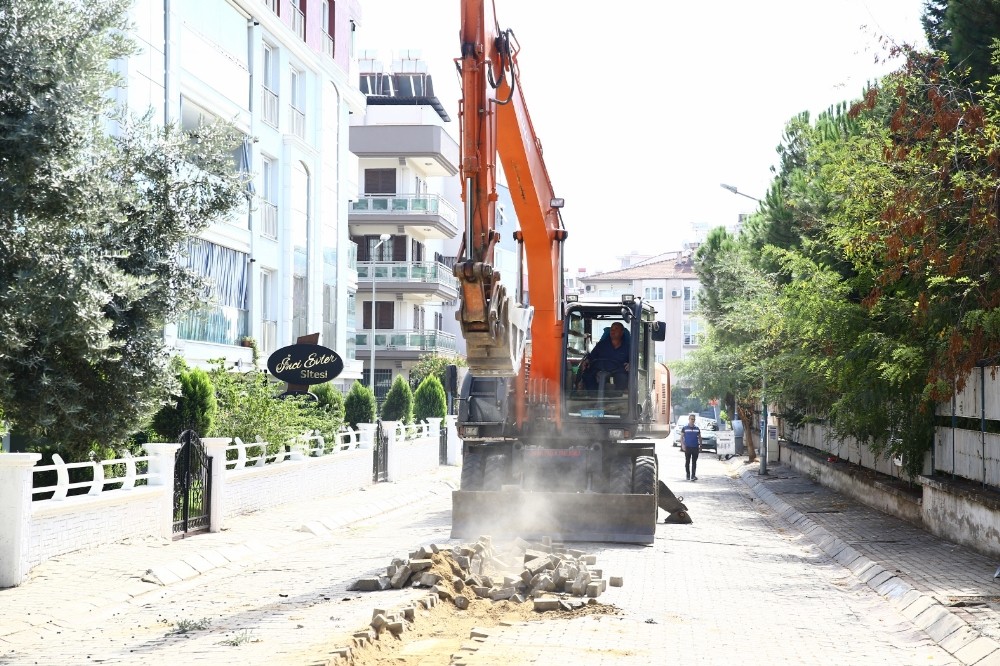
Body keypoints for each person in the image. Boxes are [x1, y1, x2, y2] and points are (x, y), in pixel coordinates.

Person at [578, 322, 630, 391]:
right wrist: (586, 360)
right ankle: (592, 396)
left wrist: (630, 364)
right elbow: (591, 357)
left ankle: (617, 398)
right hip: (599, 369)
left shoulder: (628, 347)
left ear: (622, 332)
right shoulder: (601, 345)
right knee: (587, 376)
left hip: (618, 371)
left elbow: (632, 361)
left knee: (623, 378)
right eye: (611, 329)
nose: (612, 331)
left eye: (616, 329)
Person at [680, 413, 702, 481]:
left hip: (695, 447)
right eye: (691, 419)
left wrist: (700, 445)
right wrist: (683, 445)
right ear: (689, 419)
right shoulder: (685, 428)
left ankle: (693, 475)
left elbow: (700, 437)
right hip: (688, 447)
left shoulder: (697, 429)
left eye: (694, 419)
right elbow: (681, 437)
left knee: (694, 462)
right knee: (687, 462)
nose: (693, 420)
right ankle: (688, 475)